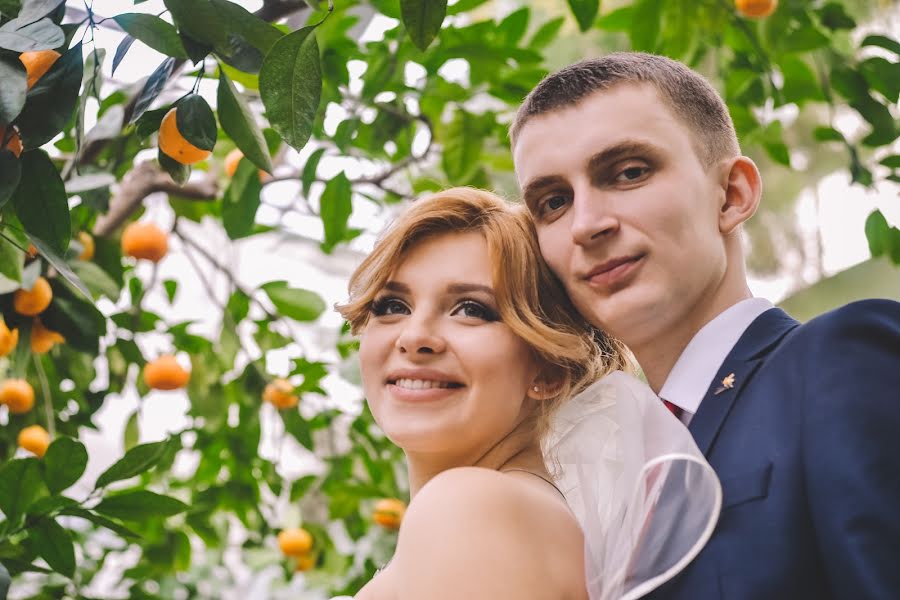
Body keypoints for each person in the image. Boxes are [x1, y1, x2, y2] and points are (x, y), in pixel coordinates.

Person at [511, 51, 900, 599]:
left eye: (628, 172)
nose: (587, 224)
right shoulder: (606, 480)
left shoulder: (841, 358)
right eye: (554, 201)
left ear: (732, 195)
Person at [335, 187, 721, 599]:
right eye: (392, 305)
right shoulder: (512, 514)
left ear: (550, 369)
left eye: (470, 309)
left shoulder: (468, 508)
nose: (414, 338)